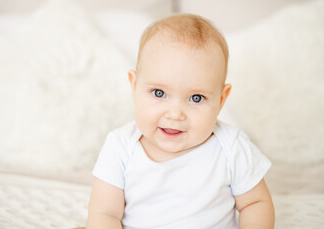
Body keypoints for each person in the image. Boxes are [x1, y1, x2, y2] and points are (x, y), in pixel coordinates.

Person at [86, 13, 275, 229]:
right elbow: (104, 214)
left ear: (221, 100)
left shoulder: (231, 147)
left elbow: (255, 203)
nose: (175, 114)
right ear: (134, 86)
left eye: (196, 98)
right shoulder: (120, 147)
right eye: (159, 93)